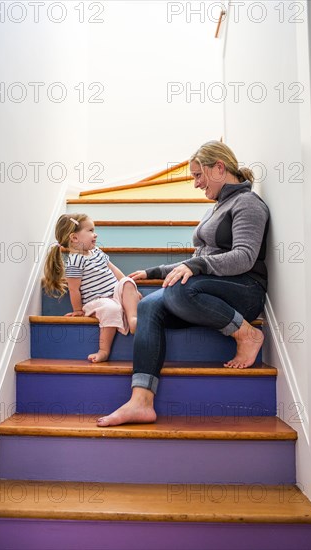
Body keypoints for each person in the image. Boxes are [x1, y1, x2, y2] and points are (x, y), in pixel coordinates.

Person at [97, 140, 270, 427]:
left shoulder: (248, 204)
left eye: (198, 175)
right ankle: (141, 401)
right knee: (151, 305)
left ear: (219, 168)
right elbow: (198, 258)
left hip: (245, 289)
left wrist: (196, 265)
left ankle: (246, 334)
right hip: (208, 289)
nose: (195, 184)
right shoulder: (216, 207)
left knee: (177, 290)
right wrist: (156, 270)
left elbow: (244, 257)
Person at [43, 213, 141, 362]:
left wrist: (129, 289)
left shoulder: (96, 252)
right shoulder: (75, 261)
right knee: (110, 309)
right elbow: (74, 289)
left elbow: (114, 270)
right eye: (90, 231)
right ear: (74, 238)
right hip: (97, 301)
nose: (95, 235)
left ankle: (133, 320)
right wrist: (77, 310)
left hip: (114, 293)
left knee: (127, 282)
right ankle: (104, 350)